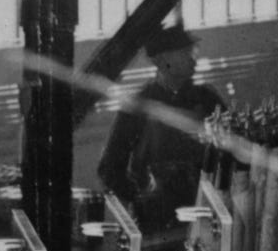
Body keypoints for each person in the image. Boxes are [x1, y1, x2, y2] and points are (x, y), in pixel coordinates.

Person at [91, 19, 217, 238]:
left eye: (192, 51)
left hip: (201, 212)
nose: (193, 58)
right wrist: (140, 199)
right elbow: (109, 168)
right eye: (184, 52)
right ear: (162, 61)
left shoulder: (206, 99)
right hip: (157, 222)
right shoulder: (138, 105)